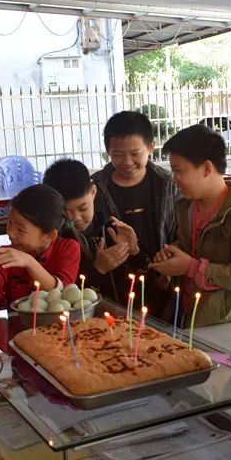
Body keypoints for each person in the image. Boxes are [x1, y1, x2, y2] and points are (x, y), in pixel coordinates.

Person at [150, 124, 231, 327]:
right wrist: (172, 254)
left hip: (223, 326)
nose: (174, 179)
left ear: (206, 168)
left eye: (179, 171)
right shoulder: (186, 206)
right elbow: (188, 244)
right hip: (187, 316)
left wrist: (191, 267)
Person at [90, 111, 178, 313]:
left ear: (151, 147)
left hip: (163, 291)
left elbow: (182, 234)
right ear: (108, 151)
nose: (127, 162)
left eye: (135, 154)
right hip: (113, 294)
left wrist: (169, 266)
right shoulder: (95, 189)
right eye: (118, 155)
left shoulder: (169, 185)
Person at [0, 183, 80, 311]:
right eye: (10, 222)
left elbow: (63, 294)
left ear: (50, 235)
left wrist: (29, 262)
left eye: (21, 230)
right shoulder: (7, 255)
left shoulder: (68, 248)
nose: (10, 233)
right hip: (20, 324)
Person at [43, 158, 137, 301]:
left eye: (83, 208)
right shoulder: (53, 242)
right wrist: (98, 270)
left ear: (93, 192)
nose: (76, 218)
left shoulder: (112, 227)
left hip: (122, 311)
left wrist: (135, 251)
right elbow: (61, 298)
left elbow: (144, 282)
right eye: (66, 211)